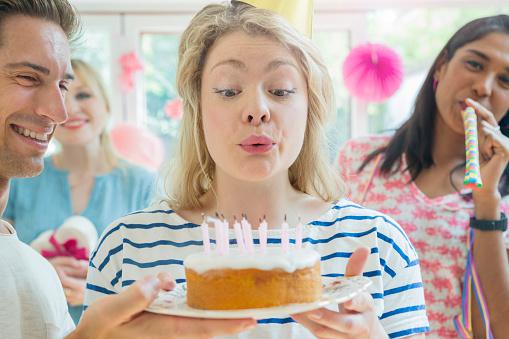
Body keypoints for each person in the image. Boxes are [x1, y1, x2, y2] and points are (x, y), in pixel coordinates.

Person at [85, 2, 429, 338]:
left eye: (280, 90)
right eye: (228, 90)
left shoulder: (378, 244)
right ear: (197, 108)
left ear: (310, 108)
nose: (256, 110)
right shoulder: (126, 247)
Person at [0, 0, 256, 338]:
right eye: (28, 77)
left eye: (65, 86)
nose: (61, 111)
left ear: (108, 105)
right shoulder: (32, 263)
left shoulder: (30, 269)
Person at [338, 15, 509, 338]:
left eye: (506, 81)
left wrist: (486, 202)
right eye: (475, 64)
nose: (484, 87)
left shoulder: (501, 197)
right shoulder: (358, 159)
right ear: (441, 65)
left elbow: (498, 328)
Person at [4, 57, 156, 322]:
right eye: (62, 97)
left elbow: (161, 274)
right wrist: (39, 274)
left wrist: (101, 288)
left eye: (84, 95)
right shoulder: (18, 179)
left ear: (107, 106)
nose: (71, 108)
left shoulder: (143, 184)